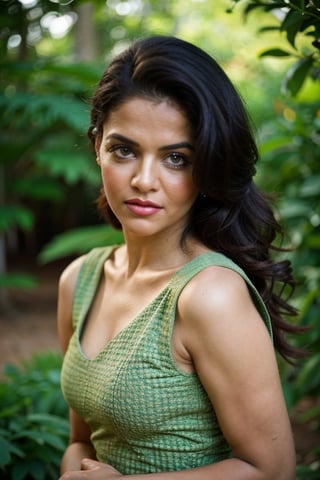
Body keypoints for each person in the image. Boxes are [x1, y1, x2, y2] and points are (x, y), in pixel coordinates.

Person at [57, 35, 303, 480]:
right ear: (97, 146)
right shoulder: (80, 280)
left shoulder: (209, 296)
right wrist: (73, 465)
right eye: (124, 150)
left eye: (175, 158)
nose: (144, 180)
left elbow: (273, 470)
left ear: (207, 167)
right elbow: (83, 438)